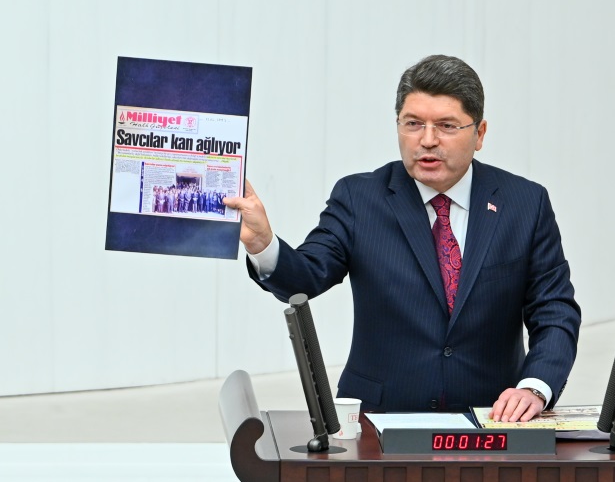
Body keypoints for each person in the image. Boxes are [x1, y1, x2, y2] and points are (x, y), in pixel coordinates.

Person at [224, 55, 580, 422]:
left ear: (480, 134)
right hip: (379, 419)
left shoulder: (525, 203)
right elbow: (305, 278)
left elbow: (554, 310)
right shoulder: (359, 198)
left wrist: (534, 387)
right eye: (413, 124)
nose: (427, 140)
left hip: (492, 418)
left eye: (446, 126)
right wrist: (263, 243)